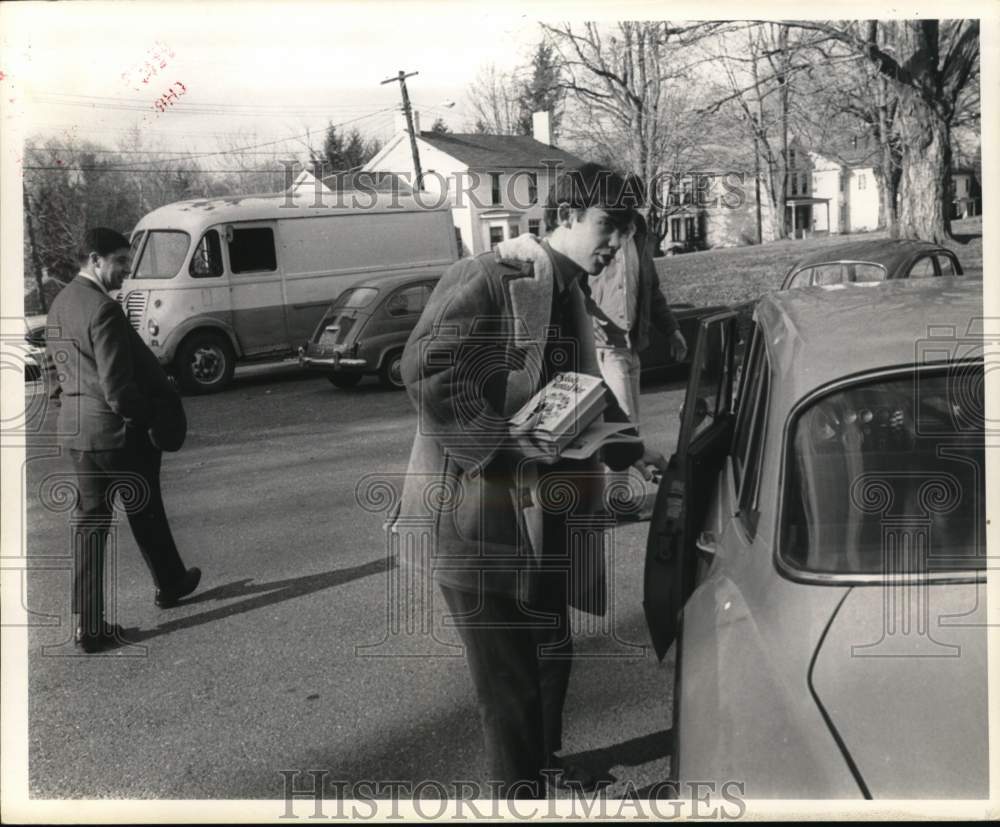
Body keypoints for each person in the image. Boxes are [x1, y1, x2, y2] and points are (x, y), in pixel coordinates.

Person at [393, 164, 648, 798]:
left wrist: (632, 453)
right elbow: (423, 367)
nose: (617, 244)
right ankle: (521, 794)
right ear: (566, 217)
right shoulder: (487, 277)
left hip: (539, 517)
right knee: (506, 679)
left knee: (550, 651)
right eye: (608, 226)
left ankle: (543, 766)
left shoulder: (565, 288)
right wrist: (503, 441)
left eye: (625, 230)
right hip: (477, 518)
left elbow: (579, 388)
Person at [46, 227, 201, 653]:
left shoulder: (60, 303)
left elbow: (54, 375)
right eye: (120, 260)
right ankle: (171, 584)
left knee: (90, 526)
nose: (127, 268)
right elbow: (118, 390)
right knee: (146, 509)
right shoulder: (104, 310)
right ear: (95, 260)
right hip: (116, 433)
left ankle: (89, 627)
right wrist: (148, 420)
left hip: (78, 434)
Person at [588, 212, 685, 514]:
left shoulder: (639, 235)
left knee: (630, 424)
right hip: (606, 345)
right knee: (622, 423)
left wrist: (673, 331)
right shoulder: (600, 235)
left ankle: (618, 496)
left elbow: (652, 291)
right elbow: (579, 288)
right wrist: (589, 319)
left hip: (632, 345)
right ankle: (617, 501)